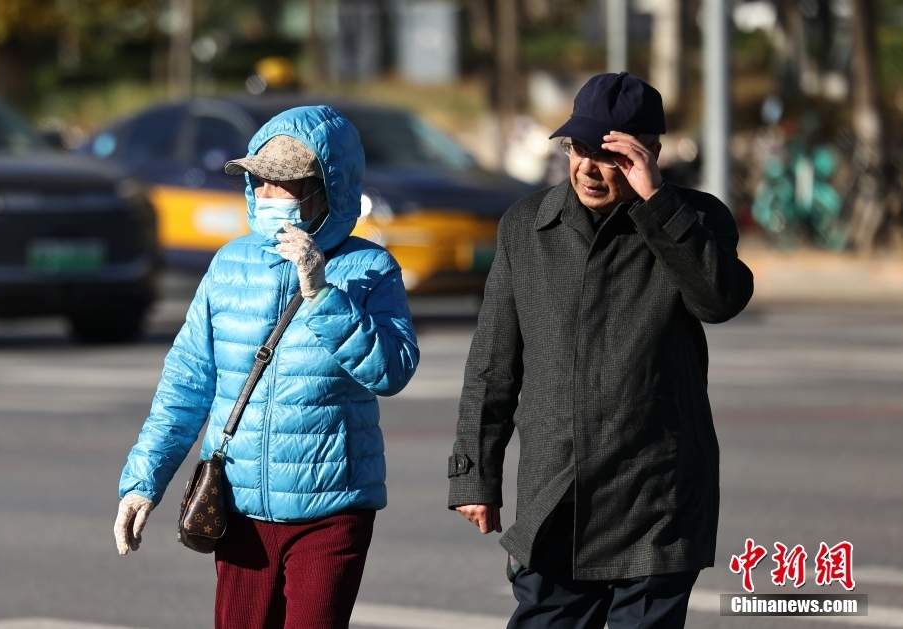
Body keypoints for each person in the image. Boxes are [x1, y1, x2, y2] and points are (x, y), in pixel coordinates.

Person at [448, 72, 754, 628]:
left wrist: (658, 202)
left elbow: (719, 300)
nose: (589, 168)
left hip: (656, 498)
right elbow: (493, 362)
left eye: (611, 155)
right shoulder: (527, 226)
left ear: (649, 154)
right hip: (555, 498)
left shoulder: (696, 219)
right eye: (579, 149)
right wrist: (475, 474)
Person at [114, 105, 419, 629]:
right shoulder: (229, 264)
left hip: (332, 505)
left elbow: (392, 371)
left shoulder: (370, 268)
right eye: (260, 180)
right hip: (236, 505)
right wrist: (143, 481)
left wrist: (322, 294)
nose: (269, 194)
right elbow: (186, 383)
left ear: (328, 189)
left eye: (287, 183)